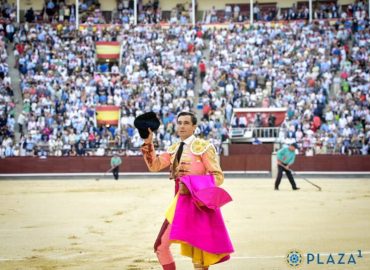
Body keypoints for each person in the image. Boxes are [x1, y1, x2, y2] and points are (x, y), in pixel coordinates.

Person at [140, 111, 233, 270]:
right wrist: (149, 143)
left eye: (186, 123)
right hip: (179, 204)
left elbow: (218, 176)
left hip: (198, 204)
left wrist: (191, 185)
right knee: (161, 246)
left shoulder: (203, 147)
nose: (182, 126)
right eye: (179, 123)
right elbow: (154, 166)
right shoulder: (174, 148)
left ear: (194, 127)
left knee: (200, 257)